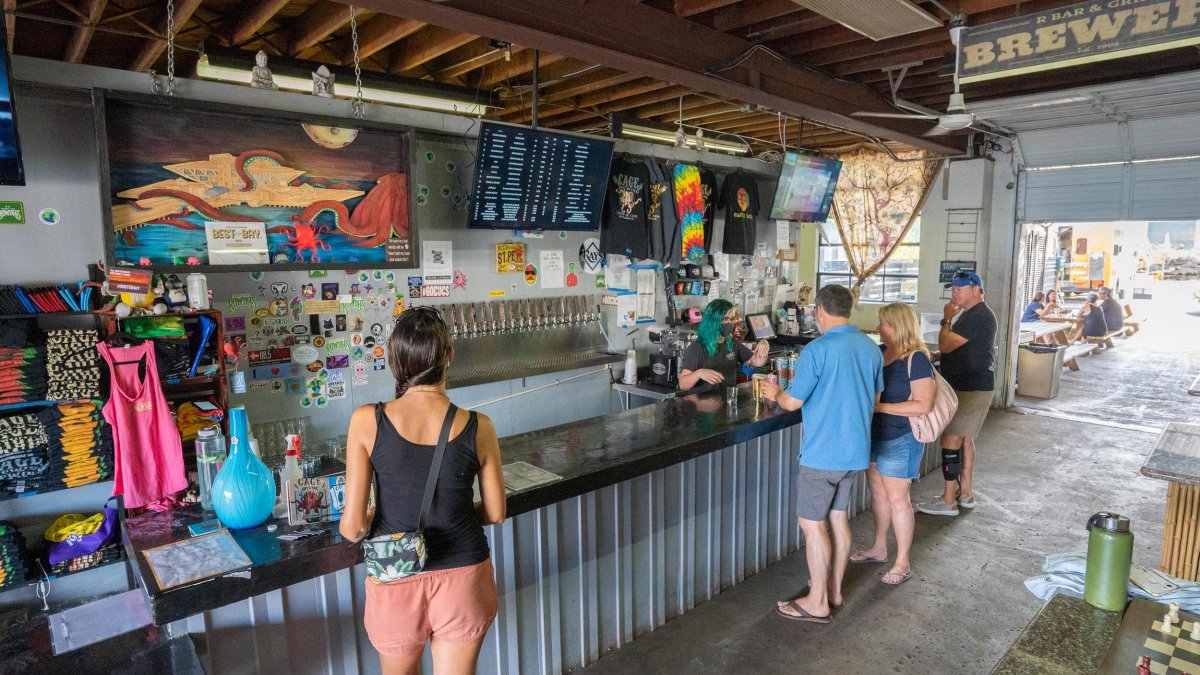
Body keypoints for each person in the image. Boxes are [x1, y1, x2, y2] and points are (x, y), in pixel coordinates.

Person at [340, 307, 506, 674]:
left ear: (395, 360)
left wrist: (374, 516)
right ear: (449, 355)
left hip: (396, 578)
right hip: (464, 575)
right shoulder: (480, 426)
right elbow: (494, 512)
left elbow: (351, 529)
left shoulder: (367, 421)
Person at [762, 285, 883, 622]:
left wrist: (775, 391)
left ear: (819, 311)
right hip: (855, 450)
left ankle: (817, 602)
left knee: (811, 524)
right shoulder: (870, 348)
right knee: (838, 518)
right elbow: (873, 401)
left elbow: (791, 403)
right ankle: (834, 591)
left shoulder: (817, 350)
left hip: (823, 452)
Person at [851, 303, 934, 586]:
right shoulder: (881, 353)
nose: (878, 328)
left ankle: (903, 562)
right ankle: (879, 547)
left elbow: (923, 404)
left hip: (901, 438)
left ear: (898, 325)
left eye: (883, 323)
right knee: (878, 495)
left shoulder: (917, 359)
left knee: (898, 500)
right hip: (873, 435)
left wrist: (879, 408)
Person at [917, 271, 997, 517]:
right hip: (972, 384)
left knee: (950, 439)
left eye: (960, 289)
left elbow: (945, 344)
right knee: (964, 438)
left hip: (969, 387)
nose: (954, 293)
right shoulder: (975, 315)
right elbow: (957, 349)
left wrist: (946, 320)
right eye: (953, 289)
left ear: (977, 290)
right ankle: (966, 493)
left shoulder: (977, 316)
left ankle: (948, 499)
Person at [678, 299, 770, 395]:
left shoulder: (732, 343)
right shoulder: (697, 348)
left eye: (732, 319)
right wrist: (698, 374)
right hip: (703, 404)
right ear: (713, 321)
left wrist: (764, 345)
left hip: (727, 400)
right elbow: (683, 384)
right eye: (725, 319)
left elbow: (757, 362)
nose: (730, 323)